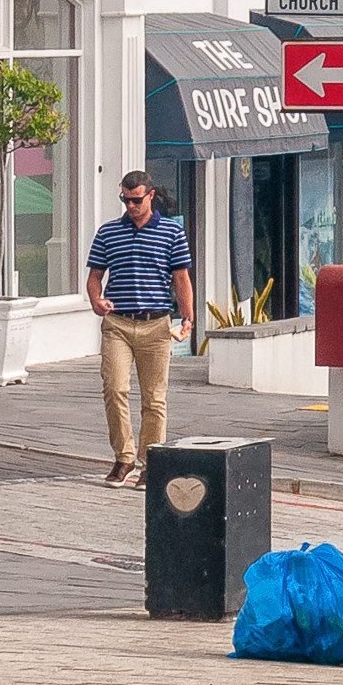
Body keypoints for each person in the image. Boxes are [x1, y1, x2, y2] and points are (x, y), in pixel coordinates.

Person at [84, 170, 193, 486]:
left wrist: (187, 317)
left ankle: (150, 463)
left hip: (156, 325)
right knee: (114, 388)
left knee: (154, 399)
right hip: (117, 323)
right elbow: (95, 277)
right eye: (125, 200)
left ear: (151, 196)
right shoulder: (108, 232)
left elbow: (181, 278)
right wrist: (96, 300)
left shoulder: (172, 232)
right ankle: (124, 457)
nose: (130, 206)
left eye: (136, 200)